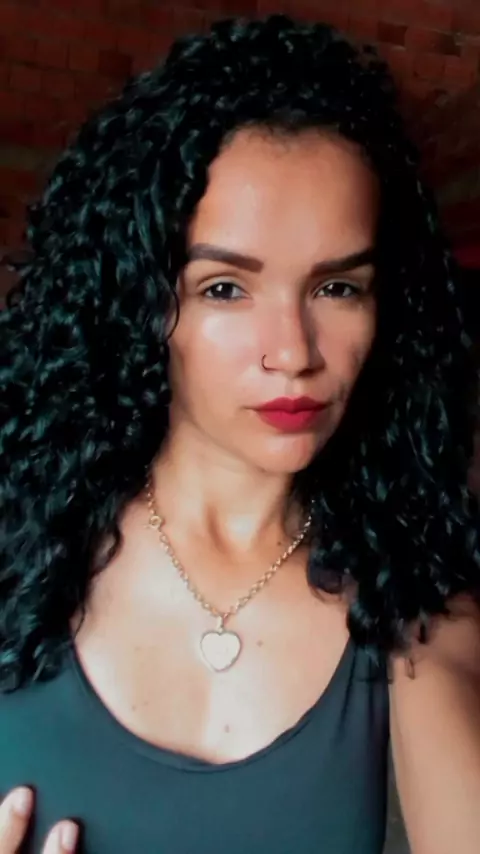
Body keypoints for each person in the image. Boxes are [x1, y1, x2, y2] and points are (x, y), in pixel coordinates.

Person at [1, 13, 480, 854]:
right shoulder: (16, 537)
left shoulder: (414, 609)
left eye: (337, 288)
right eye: (225, 288)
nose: (293, 353)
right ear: (144, 301)